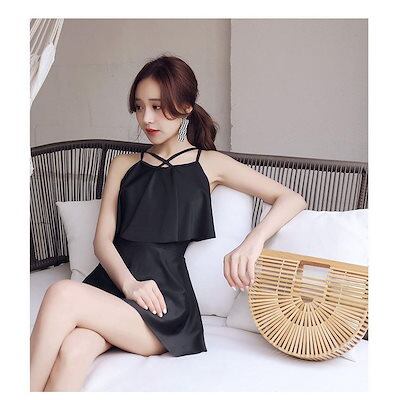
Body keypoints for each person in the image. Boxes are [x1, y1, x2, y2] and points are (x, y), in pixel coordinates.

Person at [30, 54, 307, 391]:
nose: (146, 118)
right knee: (74, 350)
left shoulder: (210, 164)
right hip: (112, 287)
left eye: (158, 107)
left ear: (186, 107)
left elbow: (292, 198)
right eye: (139, 107)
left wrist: (252, 242)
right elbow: (102, 241)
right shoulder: (123, 165)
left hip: (162, 304)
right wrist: (130, 285)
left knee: (61, 293)